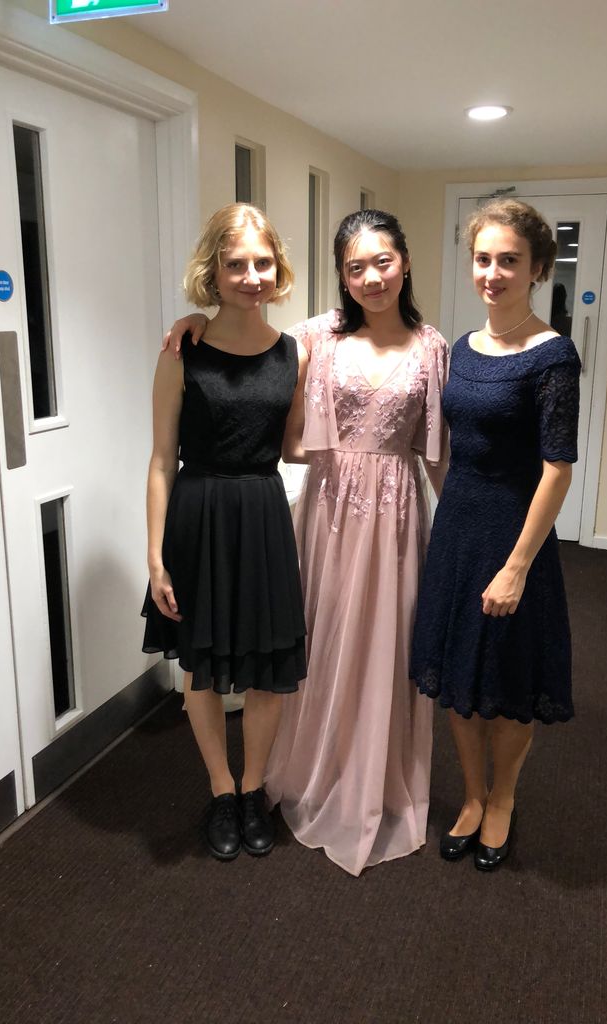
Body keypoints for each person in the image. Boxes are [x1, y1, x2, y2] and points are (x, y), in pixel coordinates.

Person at [165, 209, 448, 876]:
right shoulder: (316, 336)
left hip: (395, 513)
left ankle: (370, 777)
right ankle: (298, 772)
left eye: (383, 262)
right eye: (356, 267)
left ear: (405, 262)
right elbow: (246, 343)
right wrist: (191, 323)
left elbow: (438, 454)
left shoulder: (432, 346)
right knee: (314, 641)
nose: (371, 277)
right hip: (328, 510)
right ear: (342, 276)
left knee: (383, 643)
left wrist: (461, 529)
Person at [410, 198, 580, 871]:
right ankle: (473, 796)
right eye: (483, 258)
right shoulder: (462, 348)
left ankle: (503, 797)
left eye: (509, 260)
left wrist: (516, 566)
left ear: (537, 268)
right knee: (459, 670)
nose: (493, 272)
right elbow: (453, 444)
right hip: (458, 528)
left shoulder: (553, 356)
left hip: (516, 535)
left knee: (508, 678)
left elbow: (557, 469)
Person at [142, 203, 307, 861]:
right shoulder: (182, 350)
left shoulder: (294, 352)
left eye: (262, 263)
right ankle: (220, 790)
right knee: (203, 666)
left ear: (278, 268)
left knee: (268, 666)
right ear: (212, 270)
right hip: (198, 514)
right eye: (236, 264)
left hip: (263, 514)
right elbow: (161, 460)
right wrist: (155, 556)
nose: (252, 276)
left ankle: (252, 789)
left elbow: (294, 446)